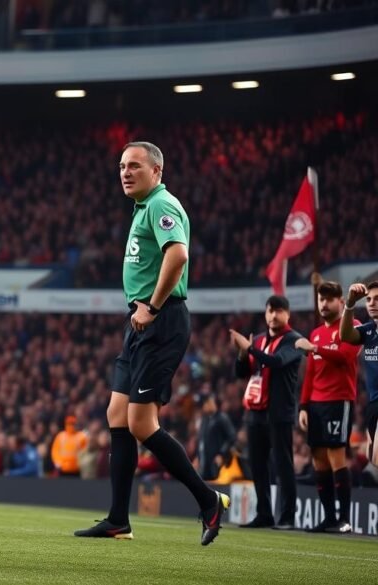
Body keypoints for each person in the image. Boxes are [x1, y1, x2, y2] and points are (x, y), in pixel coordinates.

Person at [74, 141, 229, 545]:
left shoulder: (162, 205)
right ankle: (118, 519)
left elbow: (178, 255)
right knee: (116, 413)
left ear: (157, 172)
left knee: (141, 423)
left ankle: (208, 499)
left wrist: (154, 308)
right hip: (142, 322)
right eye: (122, 166)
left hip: (161, 320)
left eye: (135, 166)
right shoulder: (144, 207)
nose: (126, 172)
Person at [230, 294, 303, 529]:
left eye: (279, 311)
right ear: (265, 313)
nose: (273, 315)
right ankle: (264, 514)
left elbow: (277, 362)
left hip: (279, 412)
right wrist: (242, 354)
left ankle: (287, 516)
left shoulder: (294, 340)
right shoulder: (259, 340)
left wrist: (249, 348)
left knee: (283, 464)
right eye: (270, 310)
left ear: (287, 314)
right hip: (255, 412)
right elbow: (241, 373)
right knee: (258, 465)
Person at [296, 281, 360, 533]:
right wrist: (303, 405)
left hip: (339, 400)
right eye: (321, 299)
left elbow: (346, 357)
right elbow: (310, 373)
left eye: (329, 299)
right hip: (316, 404)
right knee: (319, 462)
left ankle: (344, 519)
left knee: (336, 458)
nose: (323, 304)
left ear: (341, 302)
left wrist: (314, 348)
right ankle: (328, 518)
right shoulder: (316, 333)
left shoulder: (351, 326)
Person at [339, 281, 378, 467]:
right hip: (373, 403)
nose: (372, 303)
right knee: (373, 459)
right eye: (369, 299)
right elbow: (345, 335)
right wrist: (350, 304)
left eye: (377, 299)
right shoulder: (369, 331)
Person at [193, 394, 236, 482]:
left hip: (216, 462)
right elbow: (201, 440)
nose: (203, 407)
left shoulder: (222, 418)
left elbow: (232, 437)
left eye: (204, 404)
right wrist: (198, 456)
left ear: (210, 403)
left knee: (216, 485)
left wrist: (221, 454)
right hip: (204, 462)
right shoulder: (205, 419)